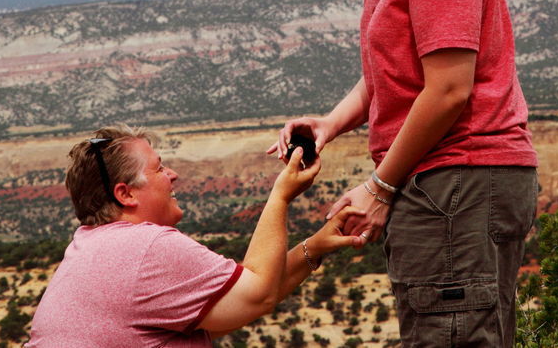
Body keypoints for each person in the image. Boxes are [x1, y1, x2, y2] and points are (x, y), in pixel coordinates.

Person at [270, 0, 539, 347]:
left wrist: (380, 187)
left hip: (458, 181)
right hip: (447, 183)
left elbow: (448, 90)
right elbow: (394, 70)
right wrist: (332, 123)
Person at [27, 124, 362, 347]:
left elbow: (221, 315)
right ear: (125, 194)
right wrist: (281, 196)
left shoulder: (90, 246)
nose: (173, 174)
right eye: (158, 168)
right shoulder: (145, 247)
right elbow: (258, 295)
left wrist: (313, 248)